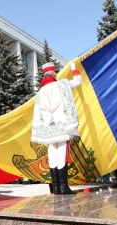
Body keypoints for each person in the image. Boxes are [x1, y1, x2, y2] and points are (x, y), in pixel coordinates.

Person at [31, 62, 82, 195]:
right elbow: (78, 81)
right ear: (54, 74)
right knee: (62, 155)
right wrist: (74, 69)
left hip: (49, 129)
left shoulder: (40, 92)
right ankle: (63, 187)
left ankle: (57, 188)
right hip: (63, 127)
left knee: (52, 155)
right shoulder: (62, 85)